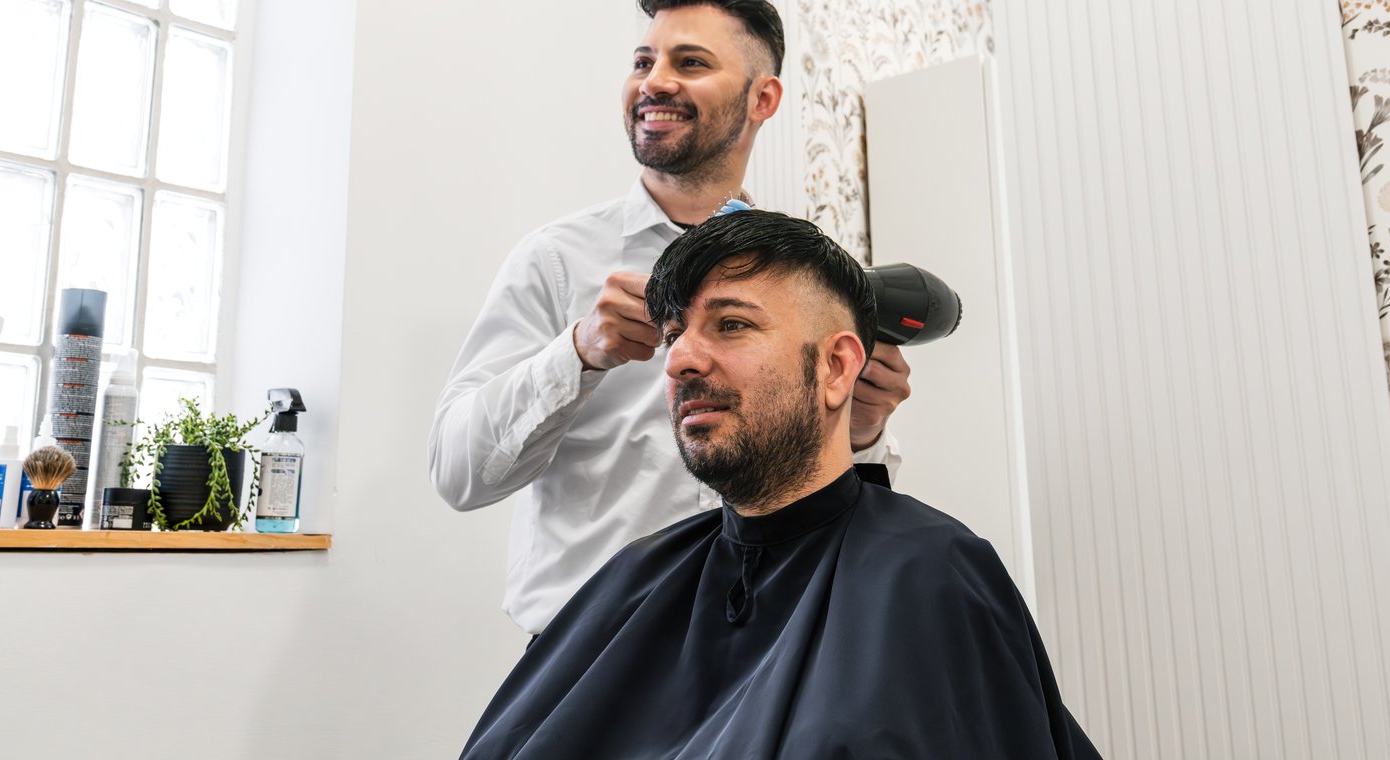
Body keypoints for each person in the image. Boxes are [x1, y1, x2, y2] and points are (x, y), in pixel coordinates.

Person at [459, 211, 1101, 760]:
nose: (679, 358)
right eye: (674, 333)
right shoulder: (633, 582)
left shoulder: (926, 573)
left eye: (731, 324)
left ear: (837, 365)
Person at [430, 0, 913, 635]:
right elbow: (458, 472)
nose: (654, 81)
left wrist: (859, 430)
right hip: (589, 662)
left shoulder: (810, 278)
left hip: (765, 649)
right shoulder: (554, 261)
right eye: (642, 60)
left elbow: (829, 495)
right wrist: (577, 354)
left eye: (689, 62)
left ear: (761, 99)